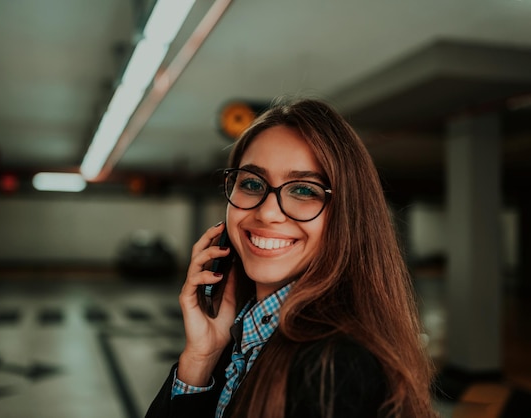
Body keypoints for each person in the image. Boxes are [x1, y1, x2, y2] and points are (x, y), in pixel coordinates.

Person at [145, 98, 436, 418]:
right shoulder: (242, 338)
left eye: (304, 190)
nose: (267, 212)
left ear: (347, 216)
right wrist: (201, 359)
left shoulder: (335, 367)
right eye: (252, 183)